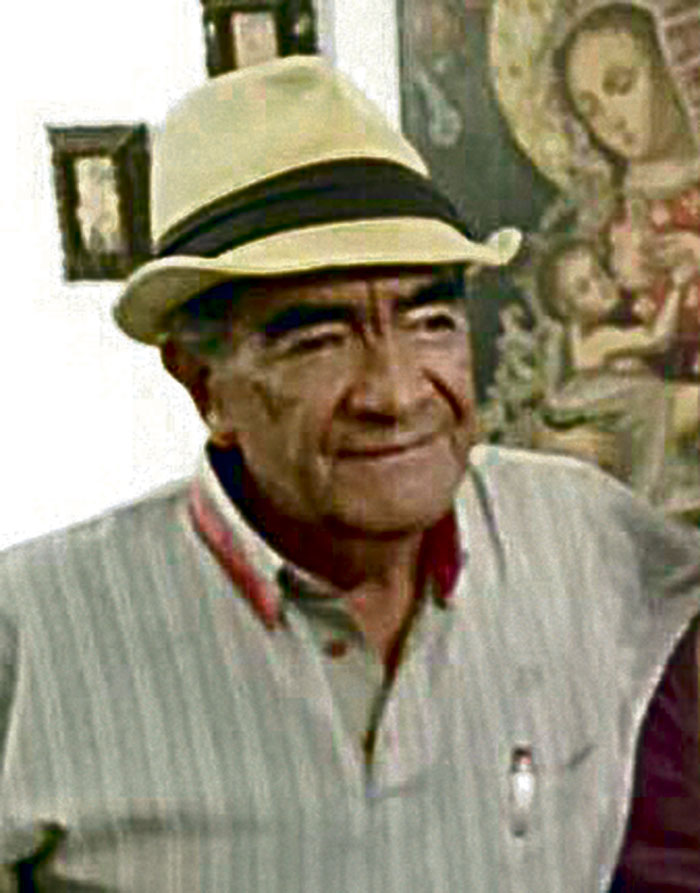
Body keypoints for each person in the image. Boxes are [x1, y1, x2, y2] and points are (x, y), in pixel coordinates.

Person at [0, 56, 698, 891]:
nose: (397, 393)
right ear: (202, 383)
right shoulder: (32, 635)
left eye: (431, 320)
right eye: (319, 338)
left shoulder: (580, 532)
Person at [554, 0, 700, 379]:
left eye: (621, 86)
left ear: (668, 67)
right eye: (591, 110)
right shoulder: (615, 219)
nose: (611, 120)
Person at [537, 237, 700, 503]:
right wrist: (677, 286)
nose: (601, 287)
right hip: (628, 438)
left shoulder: (598, 332)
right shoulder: (593, 341)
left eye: (599, 273)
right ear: (568, 310)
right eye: (584, 288)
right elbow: (658, 339)